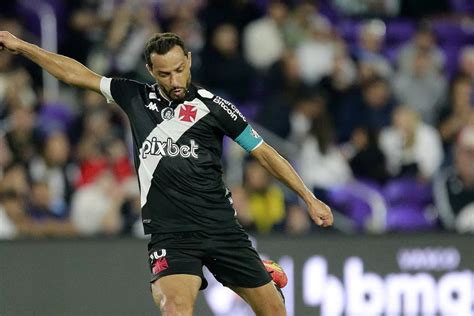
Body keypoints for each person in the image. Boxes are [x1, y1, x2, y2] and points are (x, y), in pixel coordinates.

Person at [0, 31, 333, 315]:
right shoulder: (133, 95)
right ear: (150, 70)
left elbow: (264, 153)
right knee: (175, 309)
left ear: (188, 60)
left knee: (275, 312)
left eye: (179, 70)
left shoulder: (215, 108)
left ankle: (259, 271)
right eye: (164, 74)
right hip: (171, 236)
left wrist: (309, 198)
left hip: (221, 229)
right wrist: (22, 46)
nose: (175, 81)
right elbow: (73, 74)